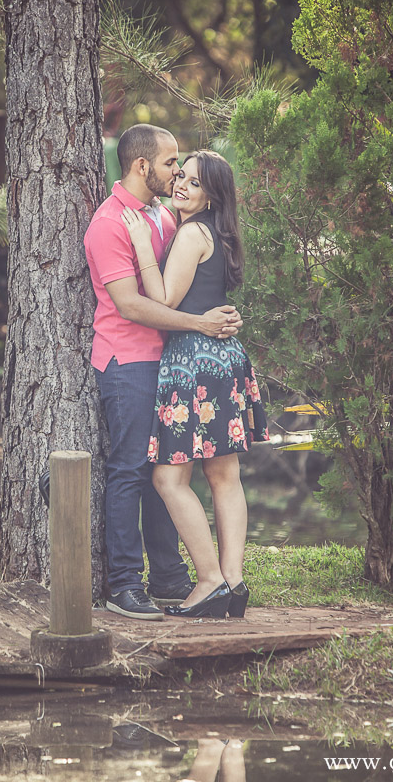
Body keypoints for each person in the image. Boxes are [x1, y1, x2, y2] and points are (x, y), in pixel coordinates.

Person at [85, 125, 243, 622]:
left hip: (176, 364)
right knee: (132, 470)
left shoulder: (164, 216)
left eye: (185, 169)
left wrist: (221, 314)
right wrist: (202, 323)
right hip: (128, 361)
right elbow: (131, 304)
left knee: (168, 472)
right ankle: (125, 585)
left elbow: (195, 277)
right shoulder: (109, 224)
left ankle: (171, 575)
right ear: (142, 166)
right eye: (173, 163)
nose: (178, 172)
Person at [119, 150, 269, 619]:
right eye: (180, 175)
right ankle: (234, 582)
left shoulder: (191, 234)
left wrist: (143, 246)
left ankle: (209, 581)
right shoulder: (220, 234)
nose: (182, 185)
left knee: (167, 477)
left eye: (195, 183)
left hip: (192, 365)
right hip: (224, 360)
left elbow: (162, 298)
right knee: (224, 476)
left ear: (211, 195)